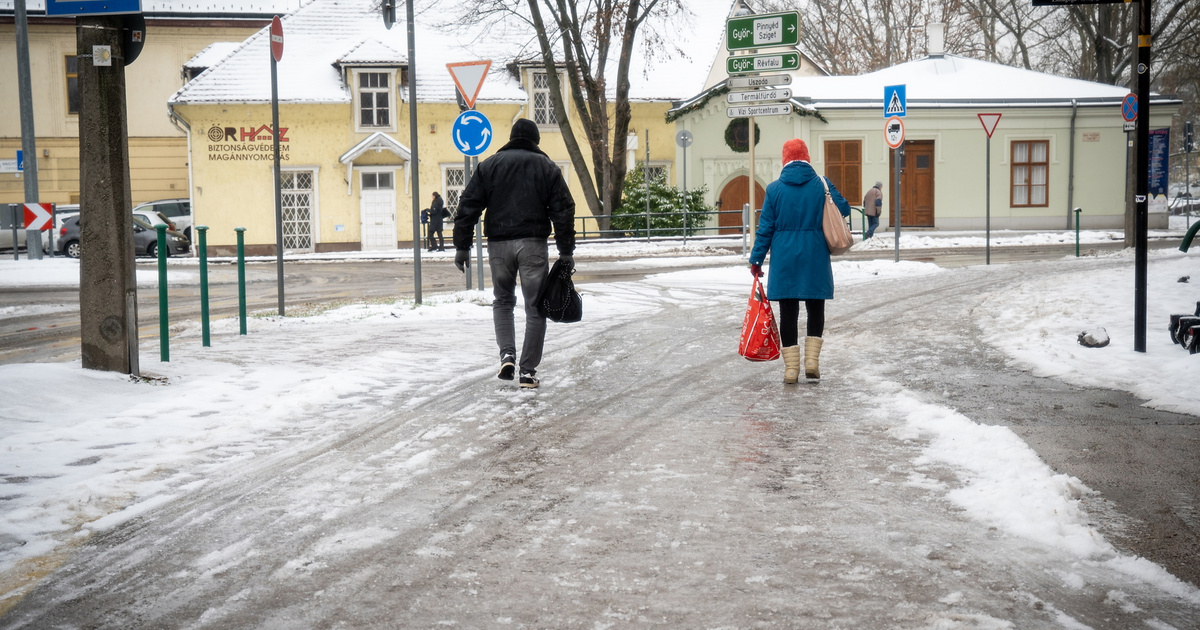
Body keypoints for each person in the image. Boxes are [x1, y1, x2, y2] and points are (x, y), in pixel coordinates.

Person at [453, 119, 576, 389]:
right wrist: (566, 251)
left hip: (499, 243)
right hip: (533, 243)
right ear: (535, 141)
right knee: (535, 306)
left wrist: (462, 245)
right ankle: (527, 372)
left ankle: (507, 354)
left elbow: (468, 205)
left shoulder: (489, 166)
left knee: (503, 301)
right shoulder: (547, 167)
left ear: (510, 139)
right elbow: (564, 209)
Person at [748, 138, 851, 384]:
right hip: (815, 255)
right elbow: (844, 209)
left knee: (788, 312)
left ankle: (791, 370)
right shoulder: (821, 184)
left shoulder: (773, 190)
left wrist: (756, 260)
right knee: (816, 308)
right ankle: (812, 363)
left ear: (785, 159)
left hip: (784, 259)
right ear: (807, 158)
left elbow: (765, 229)